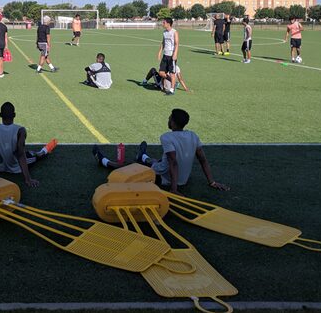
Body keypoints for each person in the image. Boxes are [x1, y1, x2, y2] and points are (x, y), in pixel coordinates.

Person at [94, 109, 228, 194]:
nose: (168, 119)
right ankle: (143, 156)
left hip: (165, 178)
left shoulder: (166, 137)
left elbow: (173, 162)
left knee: (131, 166)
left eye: (170, 118)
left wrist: (174, 188)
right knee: (157, 161)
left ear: (174, 123)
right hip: (183, 178)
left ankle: (104, 161)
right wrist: (212, 182)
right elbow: (203, 159)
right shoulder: (193, 135)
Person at [156, 18, 179, 95]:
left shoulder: (174, 32)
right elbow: (163, 43)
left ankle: (172, 90)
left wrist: (175, 54)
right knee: (161, 73)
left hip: (171, 56)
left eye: (164, 23)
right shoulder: (164, 32)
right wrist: (159, 52)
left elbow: (176, 44)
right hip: (165, 55)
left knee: (172, 73)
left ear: (168, 24)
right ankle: (174, 82)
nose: (163, 24)